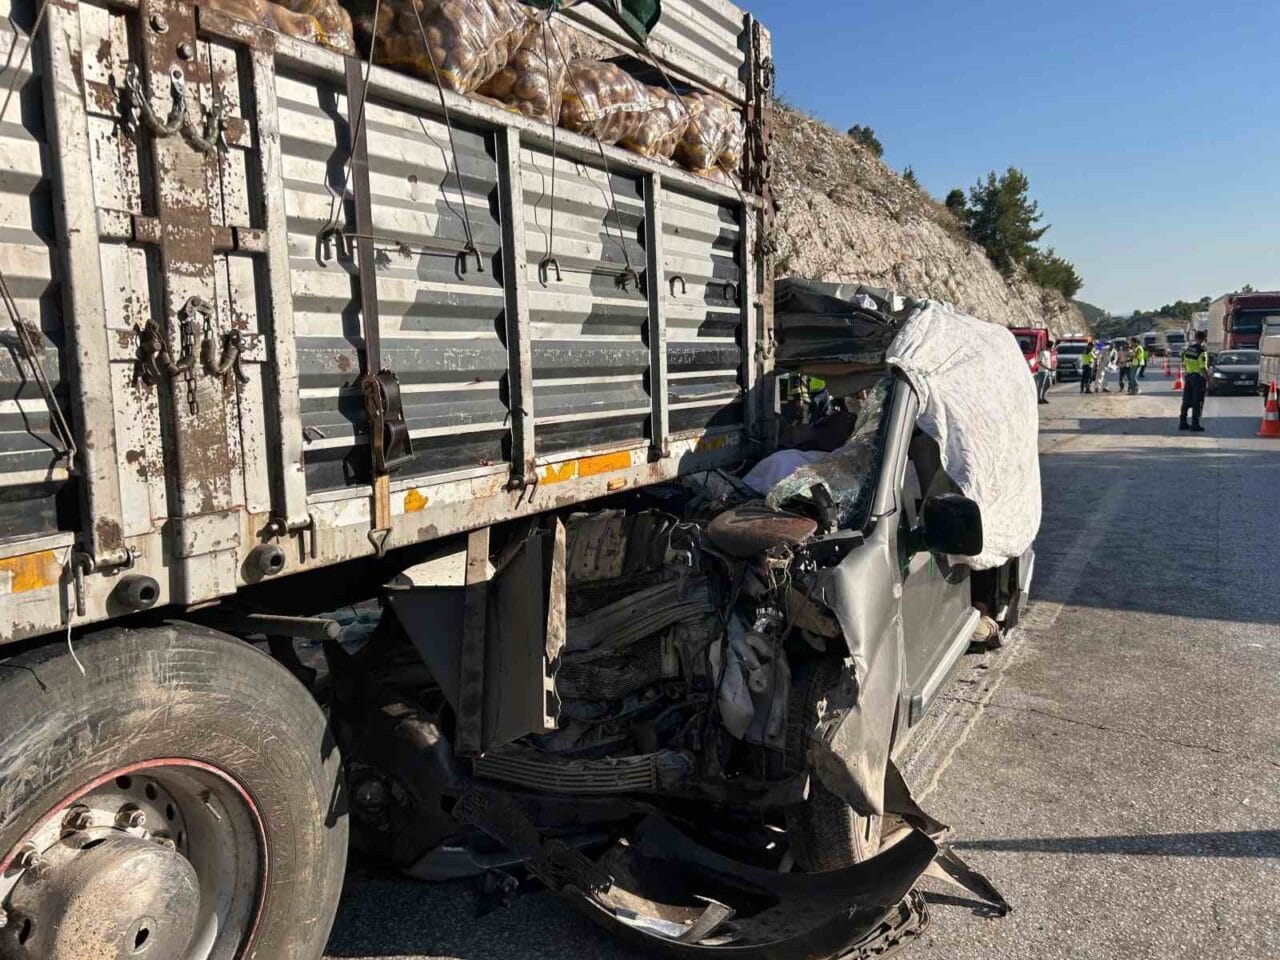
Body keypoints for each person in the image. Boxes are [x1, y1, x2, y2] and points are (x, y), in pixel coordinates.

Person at [1179, 330, 1210, 431]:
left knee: (1186, 400)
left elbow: (1184, 361)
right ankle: (1195, 424)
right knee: (1197, 401)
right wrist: (1209, 380)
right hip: (1198, 378)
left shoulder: (1188, 349)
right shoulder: (1202, 351)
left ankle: (1182, 423)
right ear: (1203, 339)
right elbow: (1203, 368)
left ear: (1195, 337)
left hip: (1188, 377)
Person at [1035, 339, 1054, 404]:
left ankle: (1043, 397)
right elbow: (1040, 362)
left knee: (1049, 384)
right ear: (1051, 346)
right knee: (1041, 385)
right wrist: (1048, 368)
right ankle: (1039, 399)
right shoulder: (1042, 352)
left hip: (1047, 371)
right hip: (1042, 371)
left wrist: (1050, 368)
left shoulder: (1048, 353)